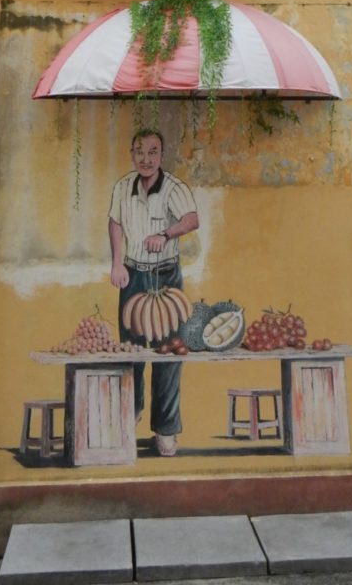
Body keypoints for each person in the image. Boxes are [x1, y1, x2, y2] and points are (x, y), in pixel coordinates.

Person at [108, 128, 199, 457]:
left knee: (169, 353)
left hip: (166, 278)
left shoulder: (174, 187)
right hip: (132, 276)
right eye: (139, 152)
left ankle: (165, 428)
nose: (145, 159)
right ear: (132, 155)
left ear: (161, 156)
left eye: (153, 152)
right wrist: (117, 264)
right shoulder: (122, 187)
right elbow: (115, 223)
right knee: (130, 351)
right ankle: (130, 413)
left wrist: (165, 232)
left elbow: (191, 219)